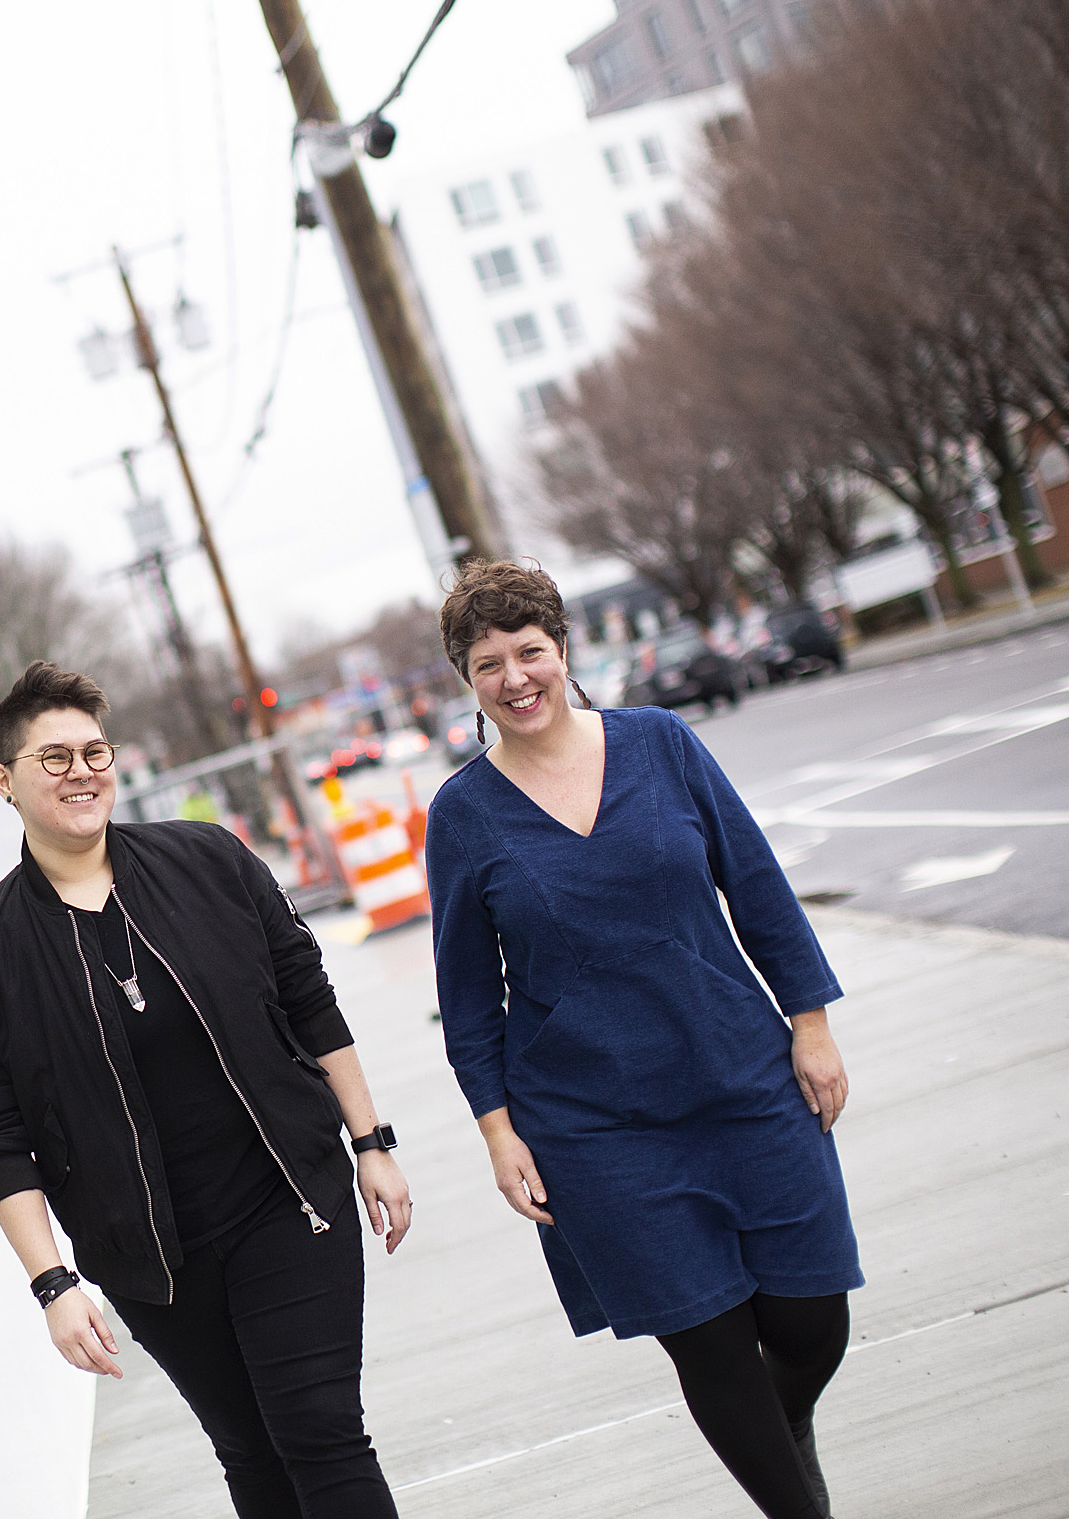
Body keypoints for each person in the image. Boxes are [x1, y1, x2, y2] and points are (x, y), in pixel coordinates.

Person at [424, 561, 860, 1519]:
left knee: (810, 1318)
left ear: (563, 648)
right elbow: (467, 996)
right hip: (597, 1130)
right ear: (468, 679)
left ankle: (778, 1436)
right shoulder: (463, 813)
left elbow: (756, 884)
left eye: (529, 651)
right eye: (488, 662)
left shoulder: (662, 743)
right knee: (706, 1341)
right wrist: (499, 1130)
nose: (514, 677)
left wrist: (811, 1023)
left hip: (743, 1073)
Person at [0, 661, 413, 1519]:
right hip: (150, 1255)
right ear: (5, 781)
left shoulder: (209, 861)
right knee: (253, 1456)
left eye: (94, 750)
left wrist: (369, 1142)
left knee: (317, 1426)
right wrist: (53, 1283)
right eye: (54, 757)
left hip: (287, 1195)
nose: (82, 770)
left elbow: (309, 1000)